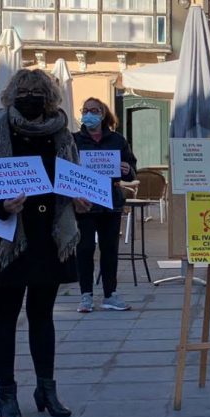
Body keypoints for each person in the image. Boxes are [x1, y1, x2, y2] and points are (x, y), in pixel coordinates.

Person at [0, 69, 92, 417]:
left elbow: (71, 180)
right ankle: (6, 393)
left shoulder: (62, 134)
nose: (31, 96)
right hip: (9, 235)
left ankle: (46, 389)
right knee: (4, 316)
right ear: (12, 95)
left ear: (49, 97)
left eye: (37, 91)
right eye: (24, 91)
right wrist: (0, 204)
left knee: (43, 315)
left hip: (48, 235)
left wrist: (79, 201)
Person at [74, 98, 137, 313]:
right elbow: (65, 168)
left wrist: (127, 168)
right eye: (86, 110)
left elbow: (131, 169)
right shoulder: (74, 140)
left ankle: (110, 294)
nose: (89, 114)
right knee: (84, 249)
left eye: (94, 110)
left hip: (110, 200)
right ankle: (86, 295)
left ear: (103, 114)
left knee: (110, 249)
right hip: (84, 202)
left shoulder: (117, 141)